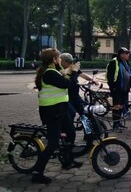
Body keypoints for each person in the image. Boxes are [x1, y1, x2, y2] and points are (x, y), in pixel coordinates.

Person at [32, 48, 80, 184]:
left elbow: (64, 79)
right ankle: (37, 173)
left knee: (70, 133)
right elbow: (69, 85)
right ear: (53, 60)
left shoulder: (52, 72)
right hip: (52, 112)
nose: (60, 60)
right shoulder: (49, 73)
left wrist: (70, 72)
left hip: (60, 110)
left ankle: (67, 160)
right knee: (53, 144)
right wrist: (74, 71)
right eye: (58, 58)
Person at [106, 47, 131, 131]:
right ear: (121, 54)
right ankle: (115, 125)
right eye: (126, 53)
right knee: (116, 106)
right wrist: (113, 88)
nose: (128, 55)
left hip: (124, 88)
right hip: (117, 89)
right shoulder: (114, 62)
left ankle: (119, 123)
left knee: (121, 106)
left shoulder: (125, 62)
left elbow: (128, 71)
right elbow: (110, 77)